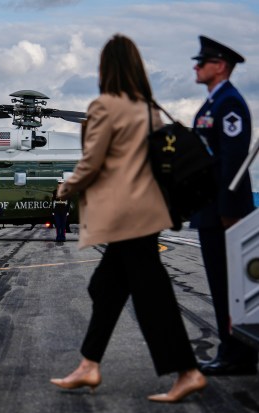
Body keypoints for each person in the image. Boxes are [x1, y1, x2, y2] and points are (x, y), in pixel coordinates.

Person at [50, 34, 206, 403]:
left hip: (125, 216)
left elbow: (92, 161)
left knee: (152, 296)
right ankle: (89, 364)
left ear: (106, 68)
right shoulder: (147, 108)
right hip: (146, 213)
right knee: (105, 288)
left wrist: (66, 187)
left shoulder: (105, 106)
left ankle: (187, 371)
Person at [190, 35, 258, 375]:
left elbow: (233, 160)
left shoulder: (229, 103)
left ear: (220, 66)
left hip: (224, 212)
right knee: (219, 284)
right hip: (210, 209)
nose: (196, 67)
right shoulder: (211, 104)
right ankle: (233, 350)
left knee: (229, 286)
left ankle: (237, 354)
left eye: (201, 62)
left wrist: (230, 214)